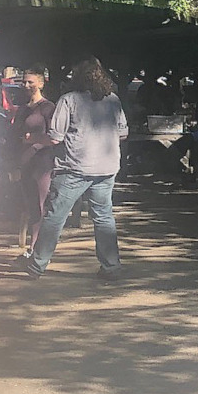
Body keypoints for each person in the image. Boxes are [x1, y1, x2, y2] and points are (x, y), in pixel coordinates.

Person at [23, 58, 128, 280]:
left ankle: (37, 265)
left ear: (77, 76)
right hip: (106, 168)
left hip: (73, 168)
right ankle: (111, 266)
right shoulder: (113, 99)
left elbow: (55, 137)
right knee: (103, 217)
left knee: (54, 217)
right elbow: (123, 133)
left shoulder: (68, 100)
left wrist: (33, 138)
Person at [9, 68, 56, 253]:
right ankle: (33, 248)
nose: (26, 85)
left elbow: (53, 136)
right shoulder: (22, 109)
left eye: (31, 82)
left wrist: (35, 142)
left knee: (40, 205)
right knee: (29, 205)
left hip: (42, 162)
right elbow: (14, 136)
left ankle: (36, 249)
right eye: (24, 82)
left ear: (41, 84)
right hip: (24, 161)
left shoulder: (48, 107)